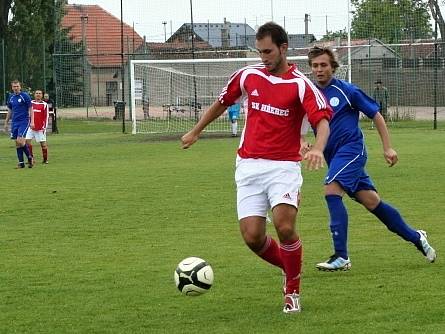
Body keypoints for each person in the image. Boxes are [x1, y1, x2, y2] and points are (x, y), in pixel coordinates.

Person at [181, 22, 332, 313]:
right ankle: (290, 268)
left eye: (268, 51)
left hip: (283, 167)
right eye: (260, 51)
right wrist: (196, 130)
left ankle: (292, 291)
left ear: (283, 48)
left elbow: (322, 121)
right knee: (252, 237)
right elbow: (222, 103)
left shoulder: (300, 84)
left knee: (285, 226)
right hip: (249, 165)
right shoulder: (248, 75)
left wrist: (317, 148)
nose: (263, 57)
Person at [304, 46, 436, 271]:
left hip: (352, 151)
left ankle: (341, 256)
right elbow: (302, 121)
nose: (319, 70)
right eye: (315, 65)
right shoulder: (311, 94)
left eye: (323, 65)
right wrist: (302, 142)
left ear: (333, 67)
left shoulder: (347, 90)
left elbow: (376, 115)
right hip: (334, 156)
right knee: (372, 202)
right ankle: (416, 237)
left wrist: (388, 148)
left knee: (331, 190)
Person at [4, 80, 33, 168]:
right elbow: (10, 110)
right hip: (15, 122)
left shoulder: (25, 96)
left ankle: (29, 157)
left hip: (24, 121)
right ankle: (21, 163)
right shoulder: (11, 97)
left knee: (20, 141)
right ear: (12, 87)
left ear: (20, 87)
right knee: (17, 143)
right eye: (14, 86)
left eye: (17, 86)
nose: (16, 88)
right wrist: (6, 122)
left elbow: (31, 108)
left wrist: (32, 121)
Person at [26, 89, 49, 164]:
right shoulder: (30, 103)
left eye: (39, 93)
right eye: (36, 93)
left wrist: (44, 127)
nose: (38, 94)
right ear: (34, 94)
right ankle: (31, 159)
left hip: (40, 128)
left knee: (43, 144)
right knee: (27, 142)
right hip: (31, 127)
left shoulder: (44, 104)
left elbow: (46, 117)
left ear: (42, 95)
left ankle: (45, 159)